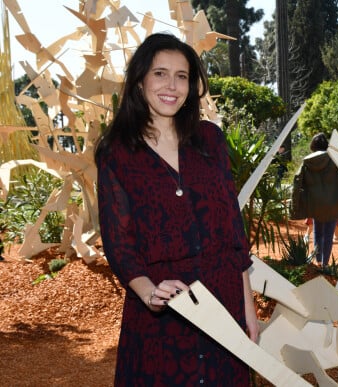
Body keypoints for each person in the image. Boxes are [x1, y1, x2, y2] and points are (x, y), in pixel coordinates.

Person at [94, 33, 259, 386]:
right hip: (162, 319)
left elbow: (234, 231)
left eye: (182, 76)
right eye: (160, 73)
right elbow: (119, 245)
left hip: (223, 306)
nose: (172, 85)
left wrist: (248, 307)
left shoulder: (210, 140)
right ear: (140, 81)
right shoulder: (117, 154)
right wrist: (148, 292)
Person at [290, 133, 338, 267]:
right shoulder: (335, 159)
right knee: (328, 235)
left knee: (317, 232)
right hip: (333, 203)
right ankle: (325, 264)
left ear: (313, 145)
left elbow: (297, 181)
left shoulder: (307, 161)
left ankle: (318, 260)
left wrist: (296, 204)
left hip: (315, 203)